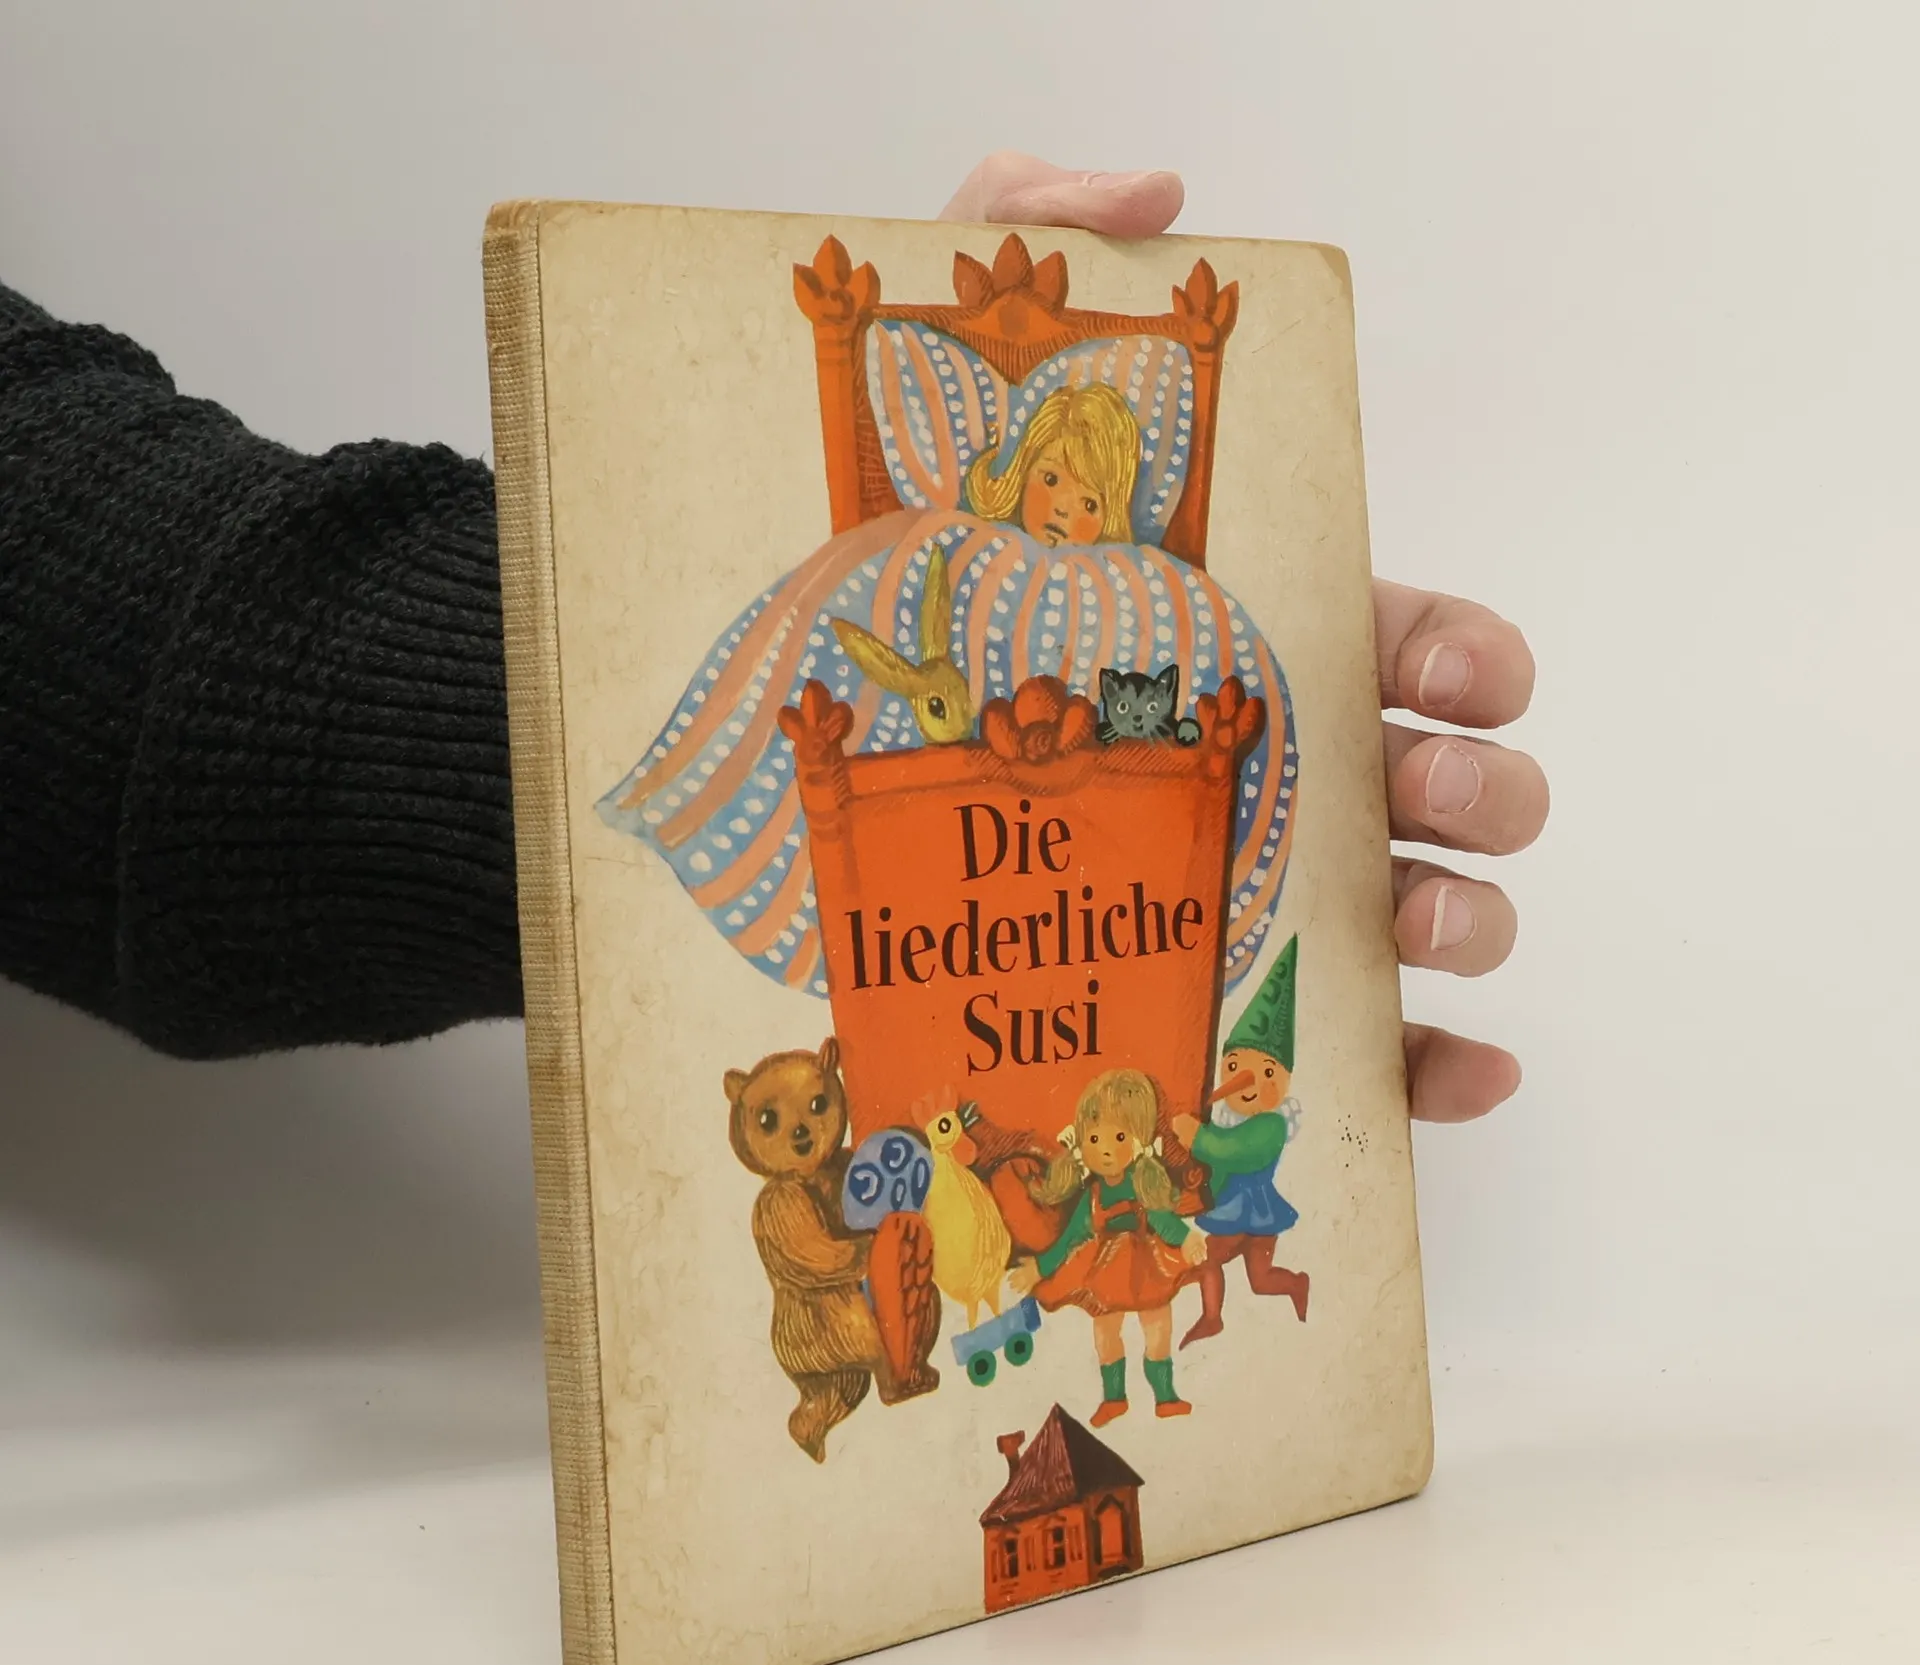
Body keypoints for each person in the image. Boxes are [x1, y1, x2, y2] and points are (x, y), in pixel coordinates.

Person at [0, 152, 1547, 1121]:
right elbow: (135, 696)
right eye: (1054, 488)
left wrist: (638, 608)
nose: (1075, 511)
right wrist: (627, 653)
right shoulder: (953, 561)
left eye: (1095, 494)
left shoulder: (1156, 601)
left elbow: (129, 656)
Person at [1021, 1068, 1209, 1426]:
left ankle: (1165, 1396)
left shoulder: (1142, 1185)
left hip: (1147, 1263)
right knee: (1106, 1330)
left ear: (1139, 1138)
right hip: (1107, 1266)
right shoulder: (1092, 1196)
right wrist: (1040, 1267)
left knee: (1157, 1327)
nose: (1105, 1149)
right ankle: (1114, 1397)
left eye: (1118, 1136)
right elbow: (1070, 1238)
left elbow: (1163, 1220)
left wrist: (1186, 1238)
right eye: (1094, 1138)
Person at [1173, 934, 1311, 1348]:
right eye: (1233, 1066)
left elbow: (1231, 1151)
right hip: (1236, 1210)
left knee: (1236, 1270)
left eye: (1266, 1072)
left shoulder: (1271, 1126)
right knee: (1243, 1272)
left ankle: (1280, 1290)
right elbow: (1219, 1147)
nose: (1245, 1080)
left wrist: (1197, 1137)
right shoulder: (1226, 1118)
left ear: (1284, 1081)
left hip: (1252, 1211)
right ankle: (1218, 1314)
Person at [964, 382, 1139, 545]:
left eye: (1089, 505)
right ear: (1024, 471)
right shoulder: (988, 544)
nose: (1062, 509)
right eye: (1050, 480)